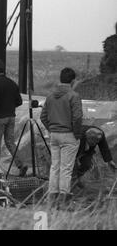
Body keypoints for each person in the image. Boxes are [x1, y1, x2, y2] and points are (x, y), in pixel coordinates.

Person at [40, 67, 83, 207]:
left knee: (55, 167)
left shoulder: (50, 96)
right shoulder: (74, 96)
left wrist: (51, 129)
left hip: (54, 135)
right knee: (66, 168)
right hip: (69, 135)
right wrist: (76, 134)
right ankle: (64, 200)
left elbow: (43, 116)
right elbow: (77, 118)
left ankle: (52, 198)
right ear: (72, 81)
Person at [0, 59, 27, 176]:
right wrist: (9, 106)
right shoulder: (12, 83)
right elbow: (19, 101)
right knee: (10, 142)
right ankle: (21, 164)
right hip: (11, 117)